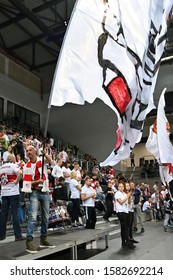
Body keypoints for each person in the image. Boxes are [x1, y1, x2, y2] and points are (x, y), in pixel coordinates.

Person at [23, 145, 55, 254]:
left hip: (45, 191)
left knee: (46, 217)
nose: (28, 152)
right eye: (27, 151)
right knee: (32, 216)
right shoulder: (26, 165)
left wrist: (44, 153)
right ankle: (29, 241)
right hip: (34, 192)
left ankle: (43, 239)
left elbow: (51, 162)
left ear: (35, 151)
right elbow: (26, 183)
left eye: (30, 150)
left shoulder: (41, 160)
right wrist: (37, 182)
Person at [0, 154, 24, 241]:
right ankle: (18, 236)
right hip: (13, 193)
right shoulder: (13, 165)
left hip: (4, 193)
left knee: (3, 214)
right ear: (12, 159)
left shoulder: (1, 167)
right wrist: (16, 181)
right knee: (15, 213)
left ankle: (1, 235)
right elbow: (20, 173)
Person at [115, 182, 136, 249]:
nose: (121, 187)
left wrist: (129, 196)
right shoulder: (117, 193)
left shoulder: (124, 194)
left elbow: (128, 202)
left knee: (124, 227)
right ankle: (128, 242)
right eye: (120, 186)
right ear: (118, 187)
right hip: (121, 211)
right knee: (125, 227)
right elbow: (120, 202)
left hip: (126, 211)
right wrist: (127, 196)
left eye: (122, 186)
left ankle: (124, 241)